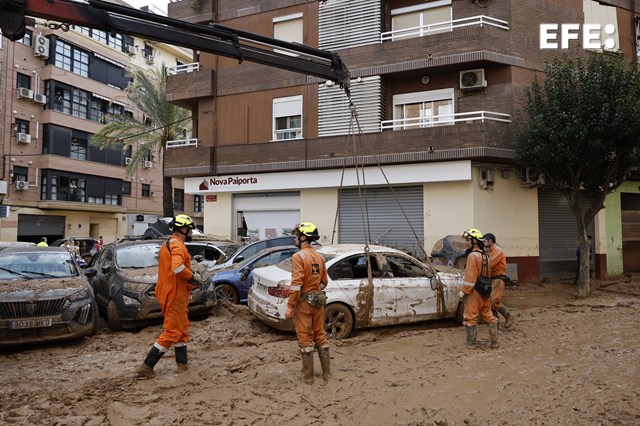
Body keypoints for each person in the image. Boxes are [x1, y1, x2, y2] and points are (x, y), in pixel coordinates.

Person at [137, 214, 203, 378]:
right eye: (190, 229)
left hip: (173, 291)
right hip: (174, 292)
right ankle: (146, 367)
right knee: (173, 331)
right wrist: (192, 277)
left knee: (181, 329)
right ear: (183, 228)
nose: (191, 233)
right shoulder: (178, 246)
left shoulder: (171, 243)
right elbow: (177, 268)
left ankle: (182, 366)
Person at [284, 222, 330, 384]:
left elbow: (296, 285)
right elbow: (324, 282)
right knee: (321, 336)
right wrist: (314, 288)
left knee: (305, 338)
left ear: (303, 237)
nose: (295, 239)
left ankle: (308, 379)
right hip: (318, 301)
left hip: (303, 303)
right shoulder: (319, 257)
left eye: (296, 236)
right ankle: (327, 375)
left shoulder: (298, 257)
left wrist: (290, 306)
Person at [460, 228, 499, 349]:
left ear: (475, 241)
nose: (466, 242)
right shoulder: (485, 255)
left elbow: (470, 278)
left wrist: (464, 292)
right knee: (489, 316)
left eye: (468, 240)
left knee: (470, 317)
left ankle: (471, 343)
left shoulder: (472, 256)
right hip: (486, 290)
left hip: (475, 292)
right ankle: (494, 342)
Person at [483, 233, 514, 329]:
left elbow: (489, 264)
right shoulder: (488, 251)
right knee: (488, 302)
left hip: (498, 279)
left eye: (484, 241)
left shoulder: (498, 251)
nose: (483, 243)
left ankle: (508, 315)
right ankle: (495, 323)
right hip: (490, 279)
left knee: (493, 301)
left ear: (490, 241)